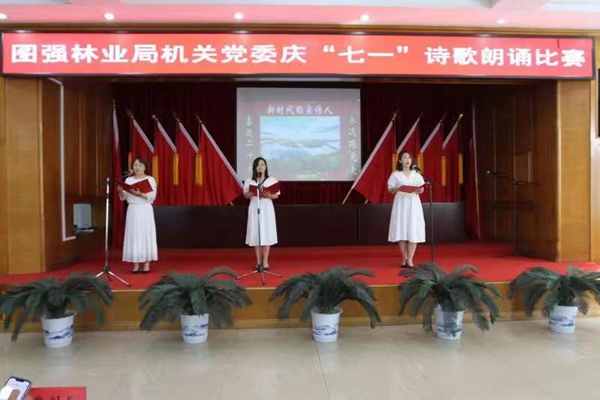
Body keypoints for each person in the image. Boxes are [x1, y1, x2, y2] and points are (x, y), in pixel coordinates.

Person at [118, 158, 158, 274]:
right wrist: (120, 191)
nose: (137, 167)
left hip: (145, 209)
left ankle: (146, 263)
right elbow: (124, 197)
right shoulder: (128, 180)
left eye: (140, 165)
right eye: (135, 165)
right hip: (133, 209)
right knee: (134, 235)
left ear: (145, 167)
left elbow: (152, 196)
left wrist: (140, 194)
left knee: (145, 234)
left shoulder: (150, 179)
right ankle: (135, 263)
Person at [388, 151, 426, 268]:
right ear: (400, 160)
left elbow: (422, 188)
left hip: (413, 203)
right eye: (404, 158)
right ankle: (404, 258)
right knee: (402, 229)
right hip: (401, 203)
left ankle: (410, 259)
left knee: (413, 229)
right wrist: (395, 189)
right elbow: (390, 189)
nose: (407, 160)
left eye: (409, 158)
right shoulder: (396, 174)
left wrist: (420, 190)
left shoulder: (416, 174)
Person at [244, 157, 280, 271]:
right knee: (256, 232)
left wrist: (269, 195)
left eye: (262, 164)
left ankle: (265, 262)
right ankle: (258, 262)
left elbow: (276, 195)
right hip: (255, 207)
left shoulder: (272, 180)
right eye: (258, 165)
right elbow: (245, 195)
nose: (260, 167)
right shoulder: (250, 181)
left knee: (266, 232)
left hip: (267, 208)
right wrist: (250, 193)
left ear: (266, 167)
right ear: (255, 167)